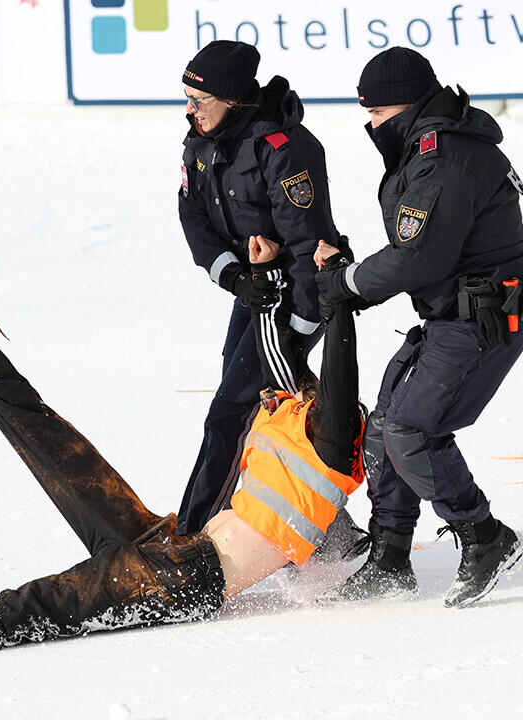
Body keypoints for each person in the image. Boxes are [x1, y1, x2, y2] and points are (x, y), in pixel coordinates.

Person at [0, 239, 366, 662]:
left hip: (181, 582)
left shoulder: (332, 448)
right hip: (173, 540)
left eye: (320, 395)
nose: (303, 389)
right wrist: (268, 273)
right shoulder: (295, 412)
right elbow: (277, 345)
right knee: (62, 453)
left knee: (39, 606)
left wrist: (338, 292)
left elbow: (341, 368)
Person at [315, 47, 523, 607]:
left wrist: (350, 283)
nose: (372, 126)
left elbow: (418, 257)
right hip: (451, 313)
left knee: (412, 430)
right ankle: (391, 555)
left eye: (377, 114)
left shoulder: (445, 156)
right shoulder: (431, 144)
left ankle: (485, 536)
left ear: (404, 105)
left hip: (480, 318)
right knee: (386, 426)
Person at [176, 39, 351, 535]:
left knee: (233, 411)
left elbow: (308, 244)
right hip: (254, 289)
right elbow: (193, 215)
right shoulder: (202, 139)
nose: (190, 110)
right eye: (186, 98)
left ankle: (193, 535)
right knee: (261, 411)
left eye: (199, 101)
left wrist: (297, 329)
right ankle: (335, 536)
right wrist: (233, 275)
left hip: (295, 298)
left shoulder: (284, 148)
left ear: (232, 99)